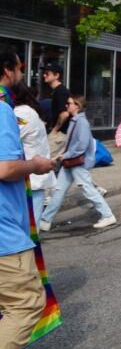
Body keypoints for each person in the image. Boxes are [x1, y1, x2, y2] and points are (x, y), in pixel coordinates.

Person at [0, 46, 55, 347]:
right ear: (8, 70)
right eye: (20, 67)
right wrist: (35, 165)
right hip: (4, 230)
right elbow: (6, 167)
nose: (22, 73)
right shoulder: (3, 108)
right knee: (25, 303)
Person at [39, 95, 116, 231]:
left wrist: (65, 155)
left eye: (69, 104)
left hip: (77, 162)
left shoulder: (81, 122)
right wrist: (59, 156)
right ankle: (45, 220)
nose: (67, 106)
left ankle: (107, 215)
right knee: (59, 191)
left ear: (77, 106)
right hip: (70, 162)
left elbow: (81, 145)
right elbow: (70, 144)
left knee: (87, 189)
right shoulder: (75, 121)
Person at [11, 82, 57, 228]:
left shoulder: (22, 114)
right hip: (28, 179)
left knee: (29, 231)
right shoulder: (22, 112)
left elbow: (9, 136)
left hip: (31, 182)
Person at [41, 64, 70, 158]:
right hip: (59, 133)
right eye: (44, 73)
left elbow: (64, 114)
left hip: (59, 134)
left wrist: (55, 130)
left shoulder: (60, 91)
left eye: (47, 73)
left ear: (56, 75)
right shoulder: (57, 91)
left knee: (47, 159)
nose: (44, 75)